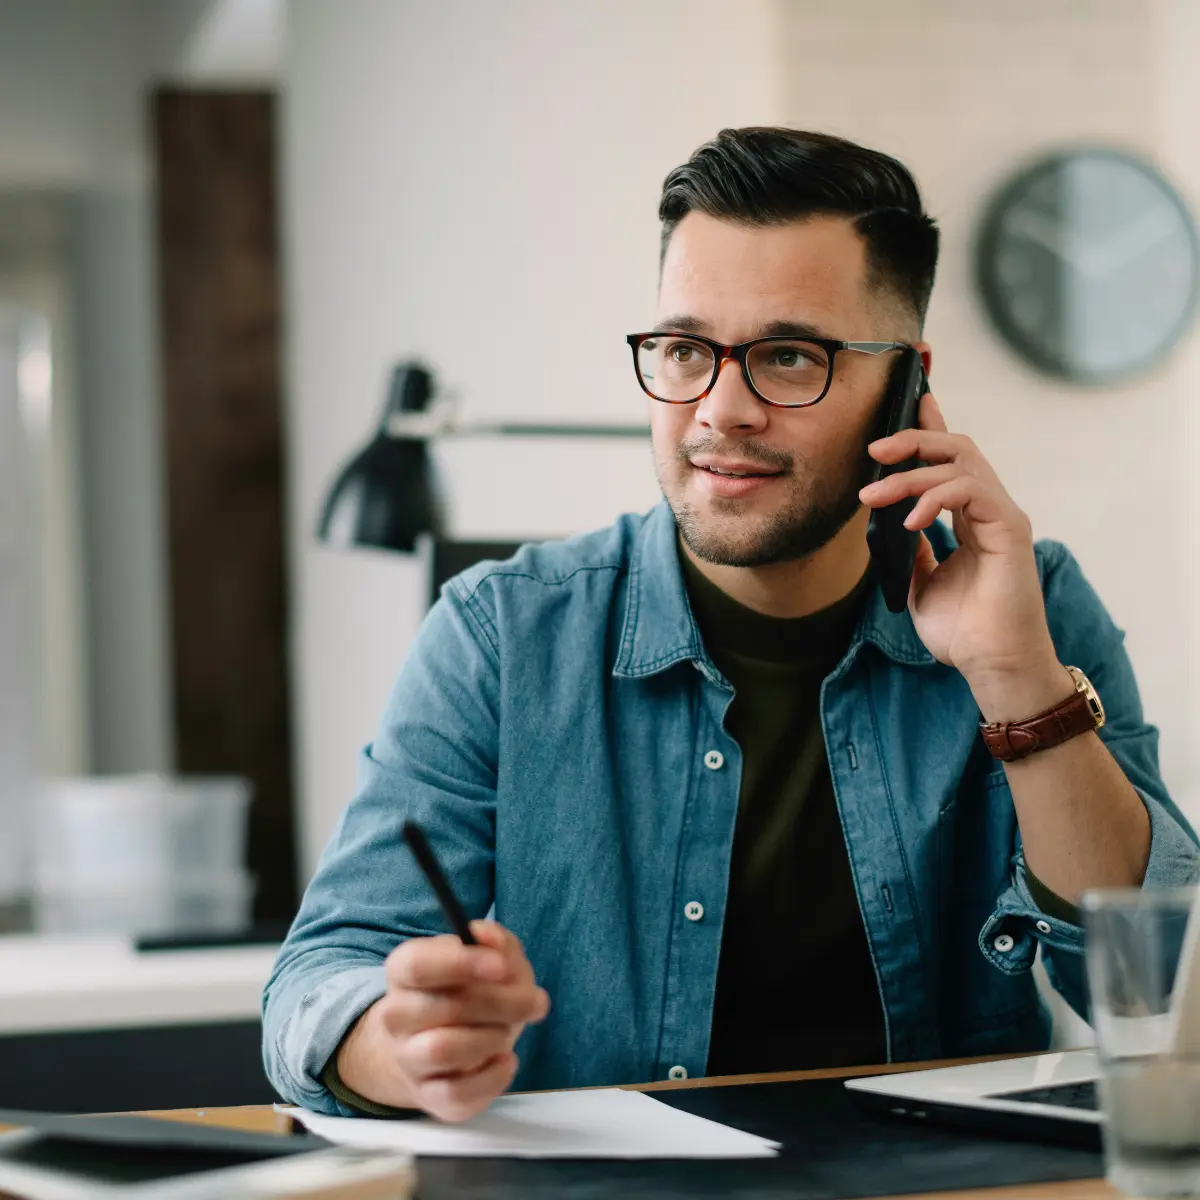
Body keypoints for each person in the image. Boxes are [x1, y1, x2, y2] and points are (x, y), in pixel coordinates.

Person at [263, 128, 1199, 1123]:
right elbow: (319, 980)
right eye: (684, 351)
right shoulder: (502, 634)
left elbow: (1160, 993)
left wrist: (1015, 679)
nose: (721, 409)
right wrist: (400, 1043)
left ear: (907, 384)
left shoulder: (1030, 606)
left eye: (788, 357)